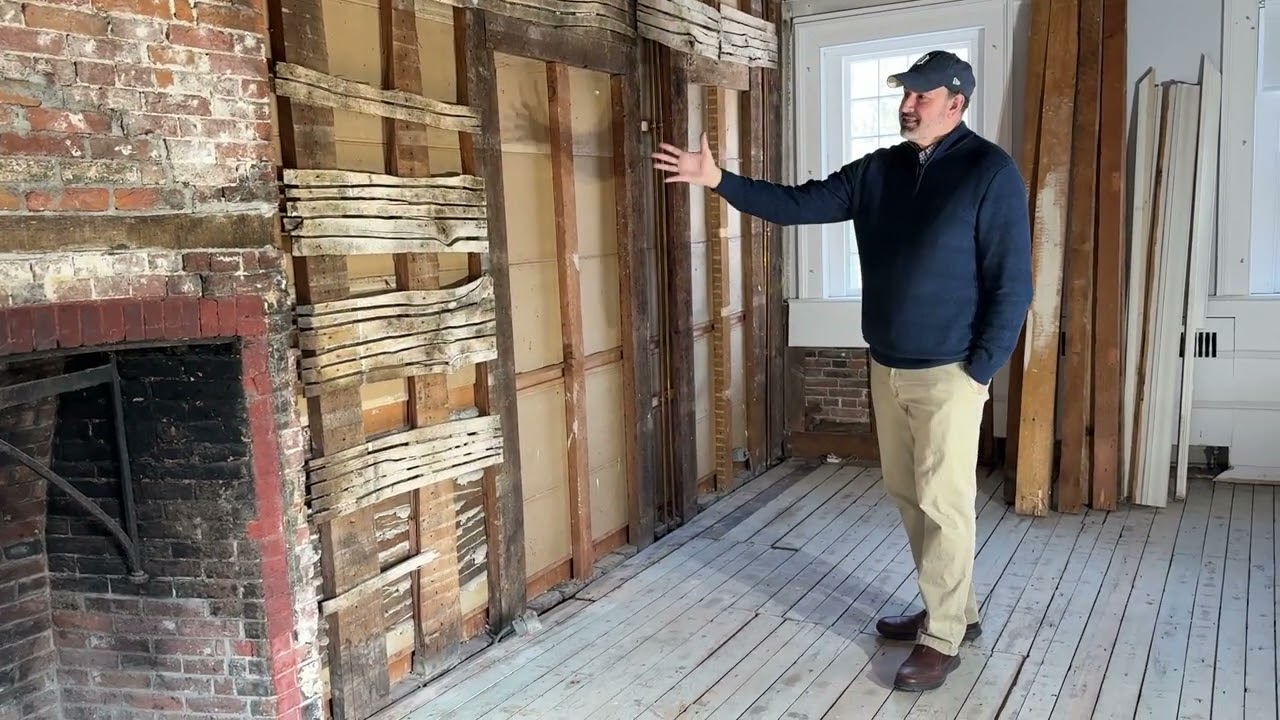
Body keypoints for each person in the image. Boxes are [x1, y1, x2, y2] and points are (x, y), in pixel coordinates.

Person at [652, 50, 1033, 691]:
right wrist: (719, 180)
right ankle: (952, 608)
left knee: (945, 501)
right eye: (904, 94)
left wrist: (980, 369)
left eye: (920, 95)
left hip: (950, 374)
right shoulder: (880, 170)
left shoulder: (989, 172)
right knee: (909, 493)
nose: (907, 105)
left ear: (956, 103)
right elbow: (798, 204)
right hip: (886, 365)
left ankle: (942, 636)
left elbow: (1012, 283)